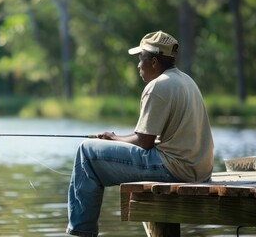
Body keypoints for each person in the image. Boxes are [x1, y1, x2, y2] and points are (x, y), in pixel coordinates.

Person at [66, 30, 214, 236]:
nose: (138, 65)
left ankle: (81, 232)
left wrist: (114, 138)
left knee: (86, 152)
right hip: (199, 170)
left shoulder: (157, 86)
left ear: (153, 61)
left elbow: (144, 142)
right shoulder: (186, 81)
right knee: (91, 151)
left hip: (174, 169)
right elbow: (147, 137)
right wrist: (115, 138)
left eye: (140, 58)